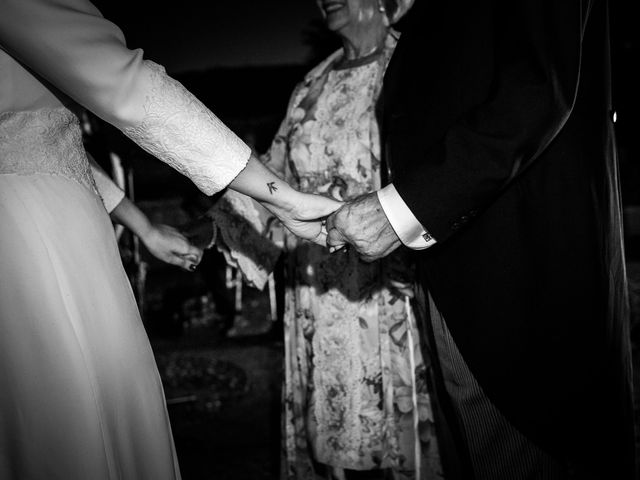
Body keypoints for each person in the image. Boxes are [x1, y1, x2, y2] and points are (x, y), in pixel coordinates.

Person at [0, 0, 341, 478]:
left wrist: (142, 227)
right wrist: (284, 198)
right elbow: (128, 86)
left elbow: (33, 140)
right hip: (32, 239)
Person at [326, 0, 636, 479]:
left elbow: (538, 90)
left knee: (527, 453)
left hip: (520, 273)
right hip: (456, 264)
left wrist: (402, 209)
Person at [203, 0, 442, 478]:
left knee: (394, 435)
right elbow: (274, 173)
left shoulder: (416, 64)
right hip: (315, 288)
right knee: (330, 436)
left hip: (387, 283)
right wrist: (212, 230)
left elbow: (440, 172)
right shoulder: (312, 84)